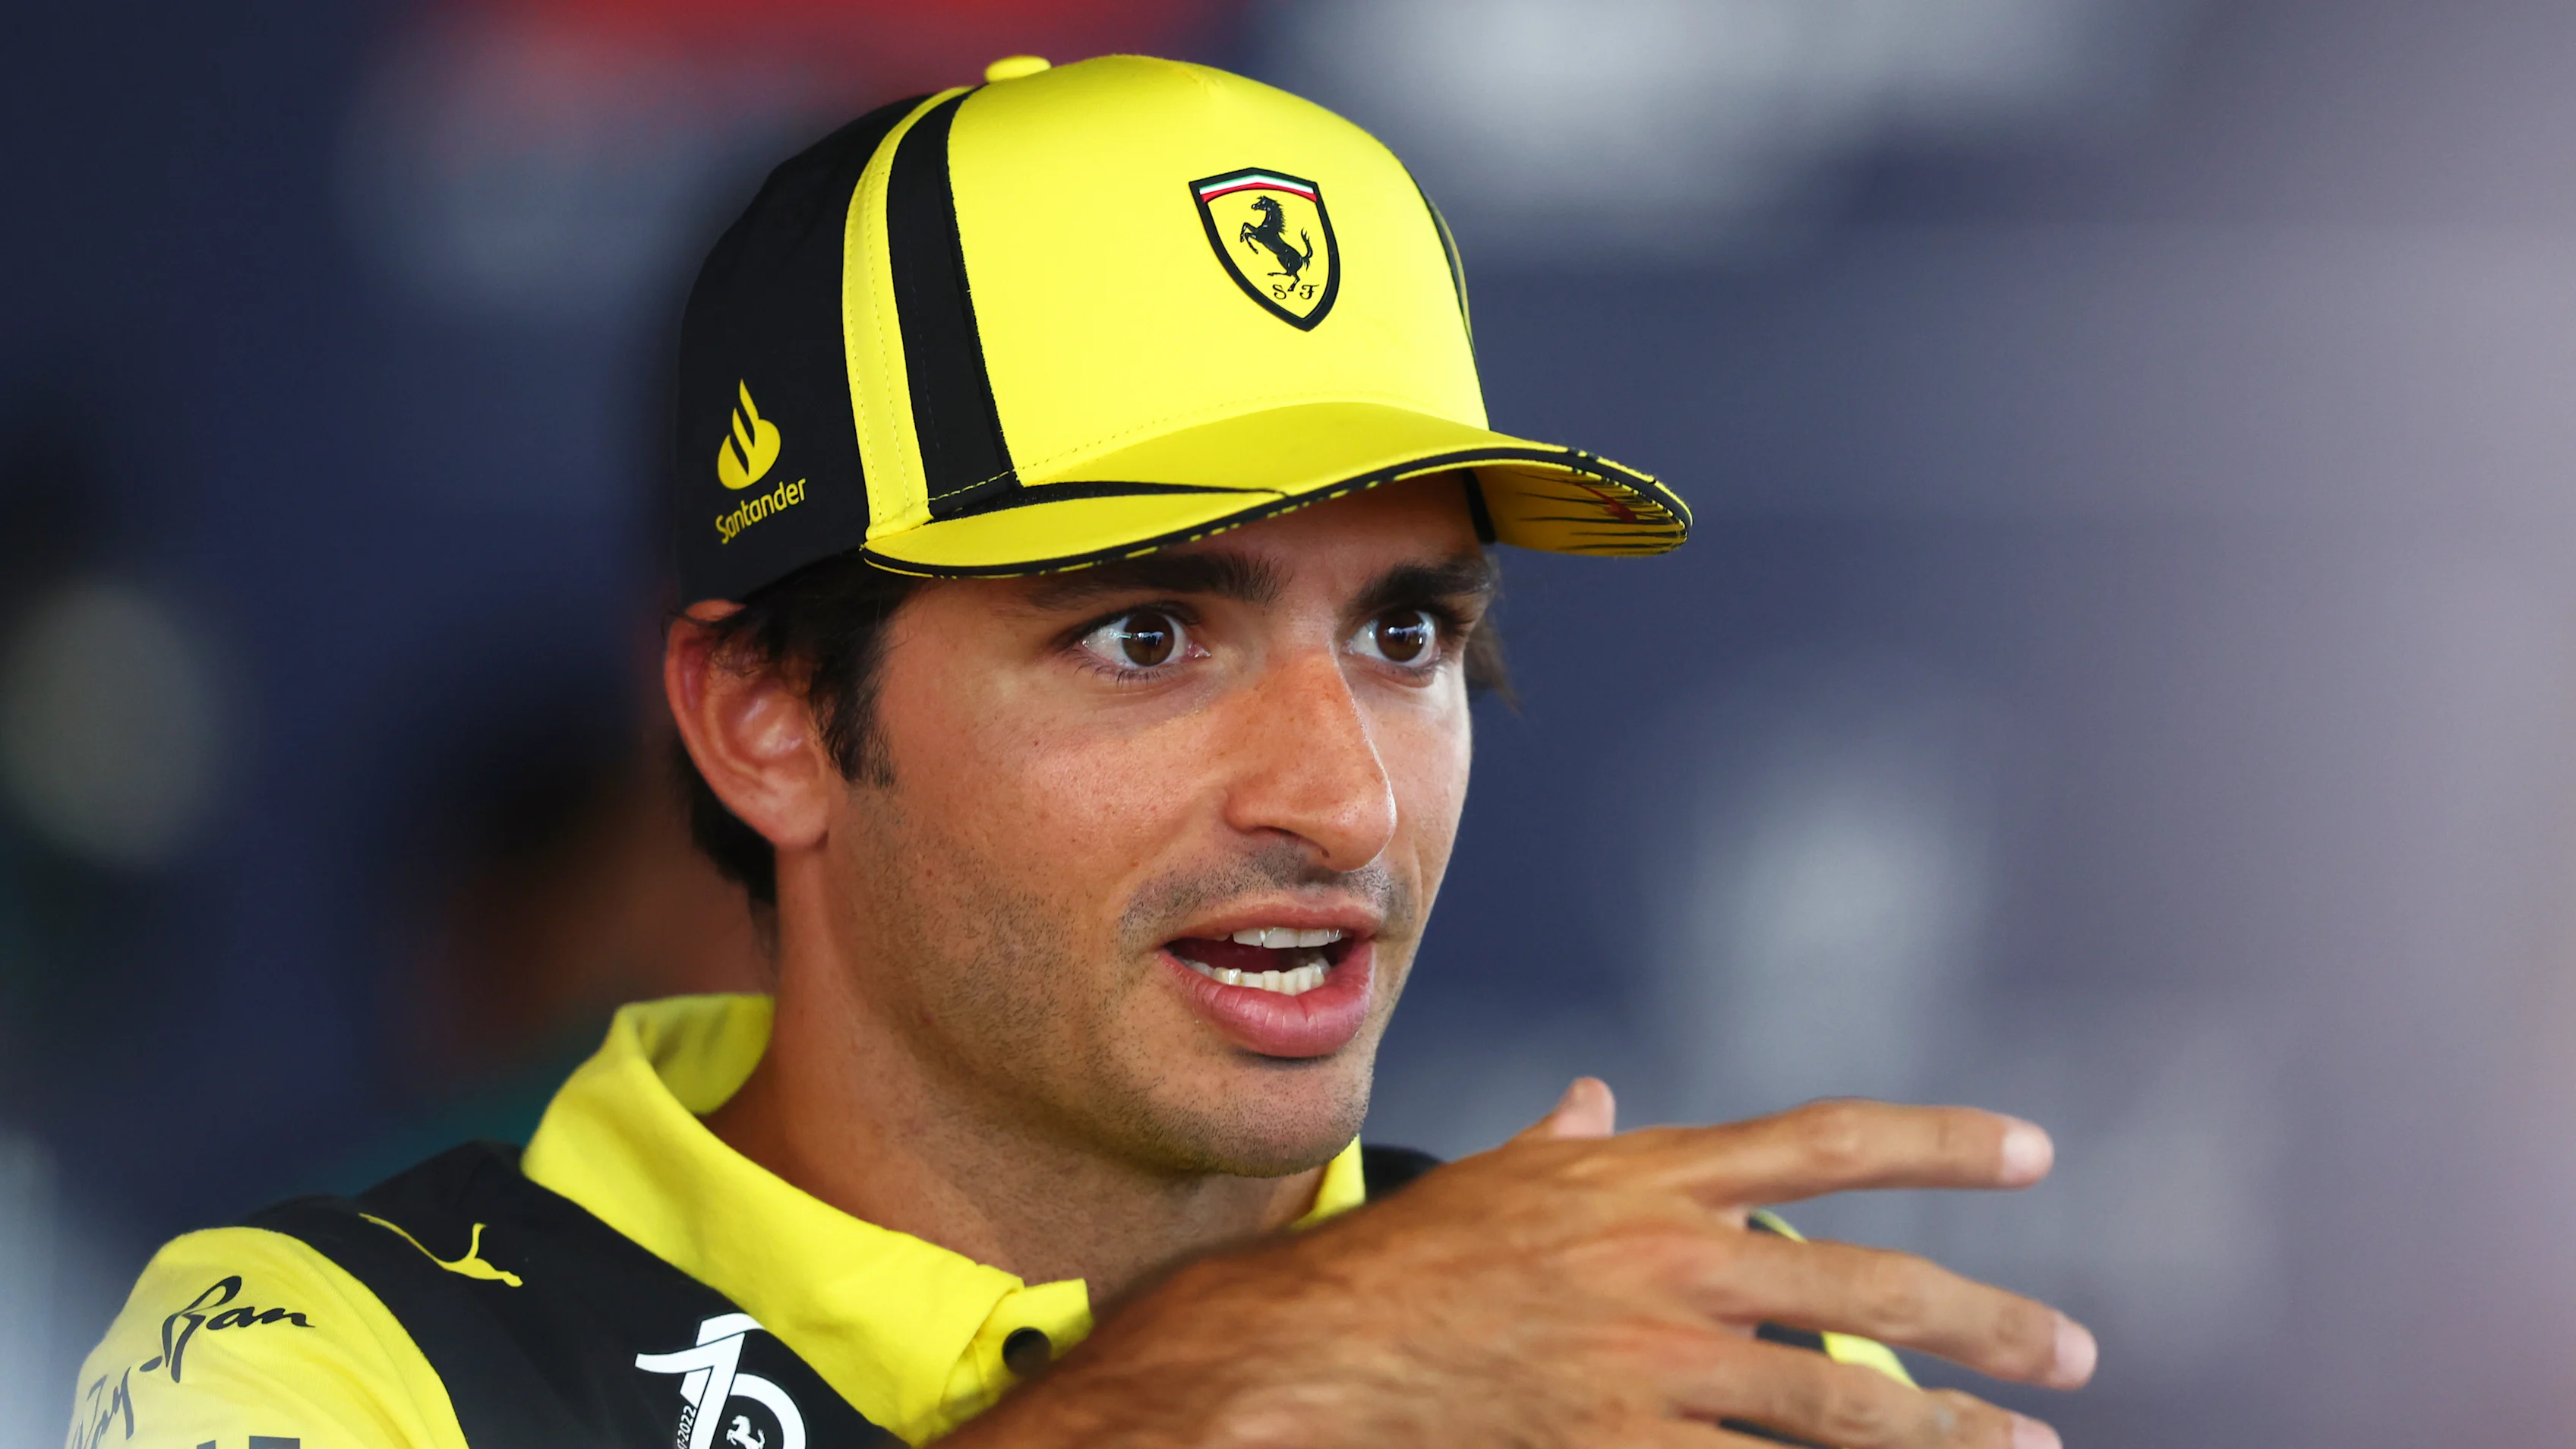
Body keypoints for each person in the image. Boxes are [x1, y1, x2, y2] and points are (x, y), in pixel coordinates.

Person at [68, 54, 2096, 1449]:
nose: (1343, 793)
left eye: (1407, 630)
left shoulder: (1683, 1356)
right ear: (764, 715)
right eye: (1145, 632)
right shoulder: (319, 1359)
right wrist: (1251, 1388)